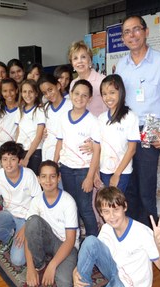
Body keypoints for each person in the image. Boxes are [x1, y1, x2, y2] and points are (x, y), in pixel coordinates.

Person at [116, 15, 160, 227]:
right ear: (123, 38)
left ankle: (150, 235)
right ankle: (132, 231)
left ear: (146, 31)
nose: (132, 35)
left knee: (146, 189)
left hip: (150, 131)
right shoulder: (121, 65)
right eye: (127, 32)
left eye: (136, 29)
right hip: (125, 130)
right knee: (128, 185)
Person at [67, 186, 160, 287]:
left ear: (125, 207)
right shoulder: (106, 228)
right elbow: (91, 253)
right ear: (100, 213)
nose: (112, 216)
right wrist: (76, 271)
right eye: (106, 211)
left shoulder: (143, 233)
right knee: (90, 241)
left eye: (116, 209)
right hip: (116, 271)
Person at [0, 141, 42, 266]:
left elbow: (39, 204)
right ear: (1, 161)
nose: (8, 163)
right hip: (9, 214)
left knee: (18, 260)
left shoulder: (29, 175)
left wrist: (25, 228)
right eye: (4, 159)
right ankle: (10, 237)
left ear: (19, 161)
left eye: (13, 159)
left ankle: (21, 235)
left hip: (27, 218)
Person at [54, 80, 100, 237]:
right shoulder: (63, 118)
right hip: (65, 168)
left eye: (84, 95)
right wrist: (55, 165)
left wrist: (90, 177)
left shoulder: (93, 121)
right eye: (77, 93)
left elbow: (97, 151)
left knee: (85, 206)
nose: (80, 98)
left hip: (83, 170)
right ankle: (77, 237)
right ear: (71, 94)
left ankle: (93, 238)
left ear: (90, 99)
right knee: (71, 204)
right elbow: (59, 142)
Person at [24, 160, 79, 287]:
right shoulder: (36, 200)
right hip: (48, 241)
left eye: (52, 176)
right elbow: (29, 233)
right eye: (43, 176)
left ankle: (51, 262)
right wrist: (30, 267)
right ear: (38, 179)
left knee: (64, 284)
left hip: (67, 245)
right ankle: (40, 263)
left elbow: (70, 240)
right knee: (32, 221)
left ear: (59, 178)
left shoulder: (68, 201)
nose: (48, 180)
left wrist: (52, 266)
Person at [94, 74, 140, 193]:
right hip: (104, 170)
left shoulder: (130, 117)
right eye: (104, 94)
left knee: (114, 204)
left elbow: (132, 149)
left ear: (121, 92)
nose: (108, 97)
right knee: (106, 204)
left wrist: (117, 174)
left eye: (112, 92)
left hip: (122, 171)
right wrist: (95, 172)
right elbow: (97, 148)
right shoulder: (101, 118)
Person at [38, 74, 72, 162]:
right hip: (48, 153)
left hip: (66, 155)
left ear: (58, 86)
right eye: (45, 93)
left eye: (50, 90)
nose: (48, 94)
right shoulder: (46, 108)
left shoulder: (71, 105)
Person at [15, 79, 45, 175]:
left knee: (34, 180)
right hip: (21, 151)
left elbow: (38, 136)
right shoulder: (20, 110)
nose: (27, 95)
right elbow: (18, 133)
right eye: (24, 92)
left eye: (31, 91)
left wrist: (27, 157)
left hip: (34, 152)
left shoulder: (39, 110)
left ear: (36, 93)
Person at [68, 41, 107, 117]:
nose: (79, 61)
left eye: (83, 57)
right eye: (75, 58)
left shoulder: (102, 80)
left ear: (90, 60)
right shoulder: (73, 84)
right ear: (72, 63)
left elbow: (108, 109)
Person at [0, 78, 19, 172]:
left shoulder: (21, 108)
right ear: (1, 92)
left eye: (11, 90)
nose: (8, 94)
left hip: (14, 151)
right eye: (5, 91)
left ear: (17, 90)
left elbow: (19, 130)